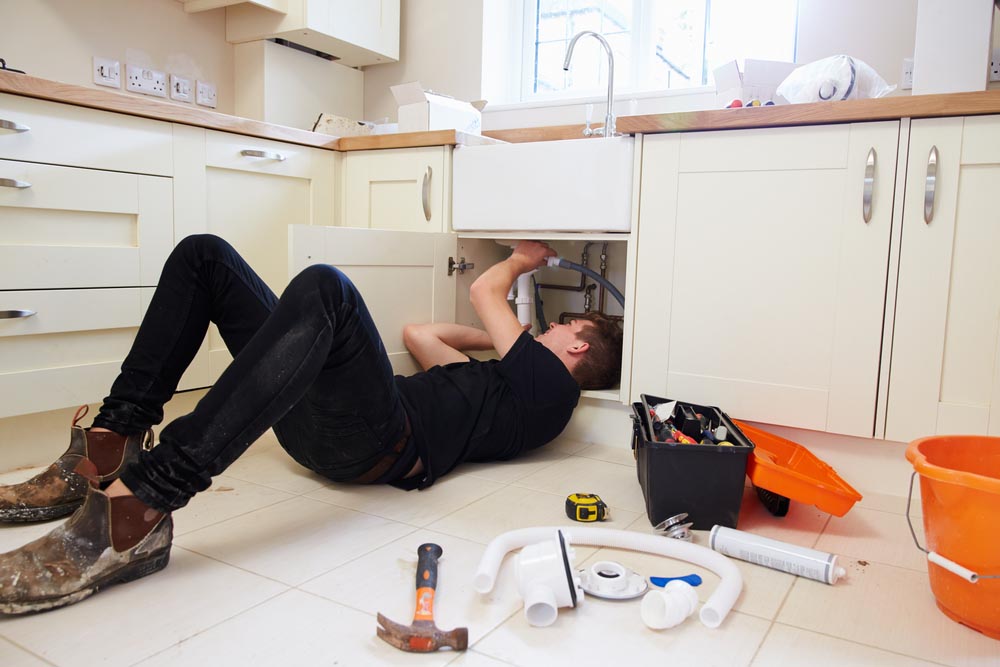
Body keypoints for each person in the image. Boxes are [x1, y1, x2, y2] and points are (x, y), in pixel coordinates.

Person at [0, 234, 623, 614]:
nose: (550, 327)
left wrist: (522, 261)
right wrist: (498, 348)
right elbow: (421, 335)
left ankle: (142, 501)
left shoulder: (552, 395)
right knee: (205, 258)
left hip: (377, 440)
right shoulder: (506, 389)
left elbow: (487, 291)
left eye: (564, 326)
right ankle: (114, 440)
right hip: (332, 424)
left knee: (329, 286)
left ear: (575, 350)